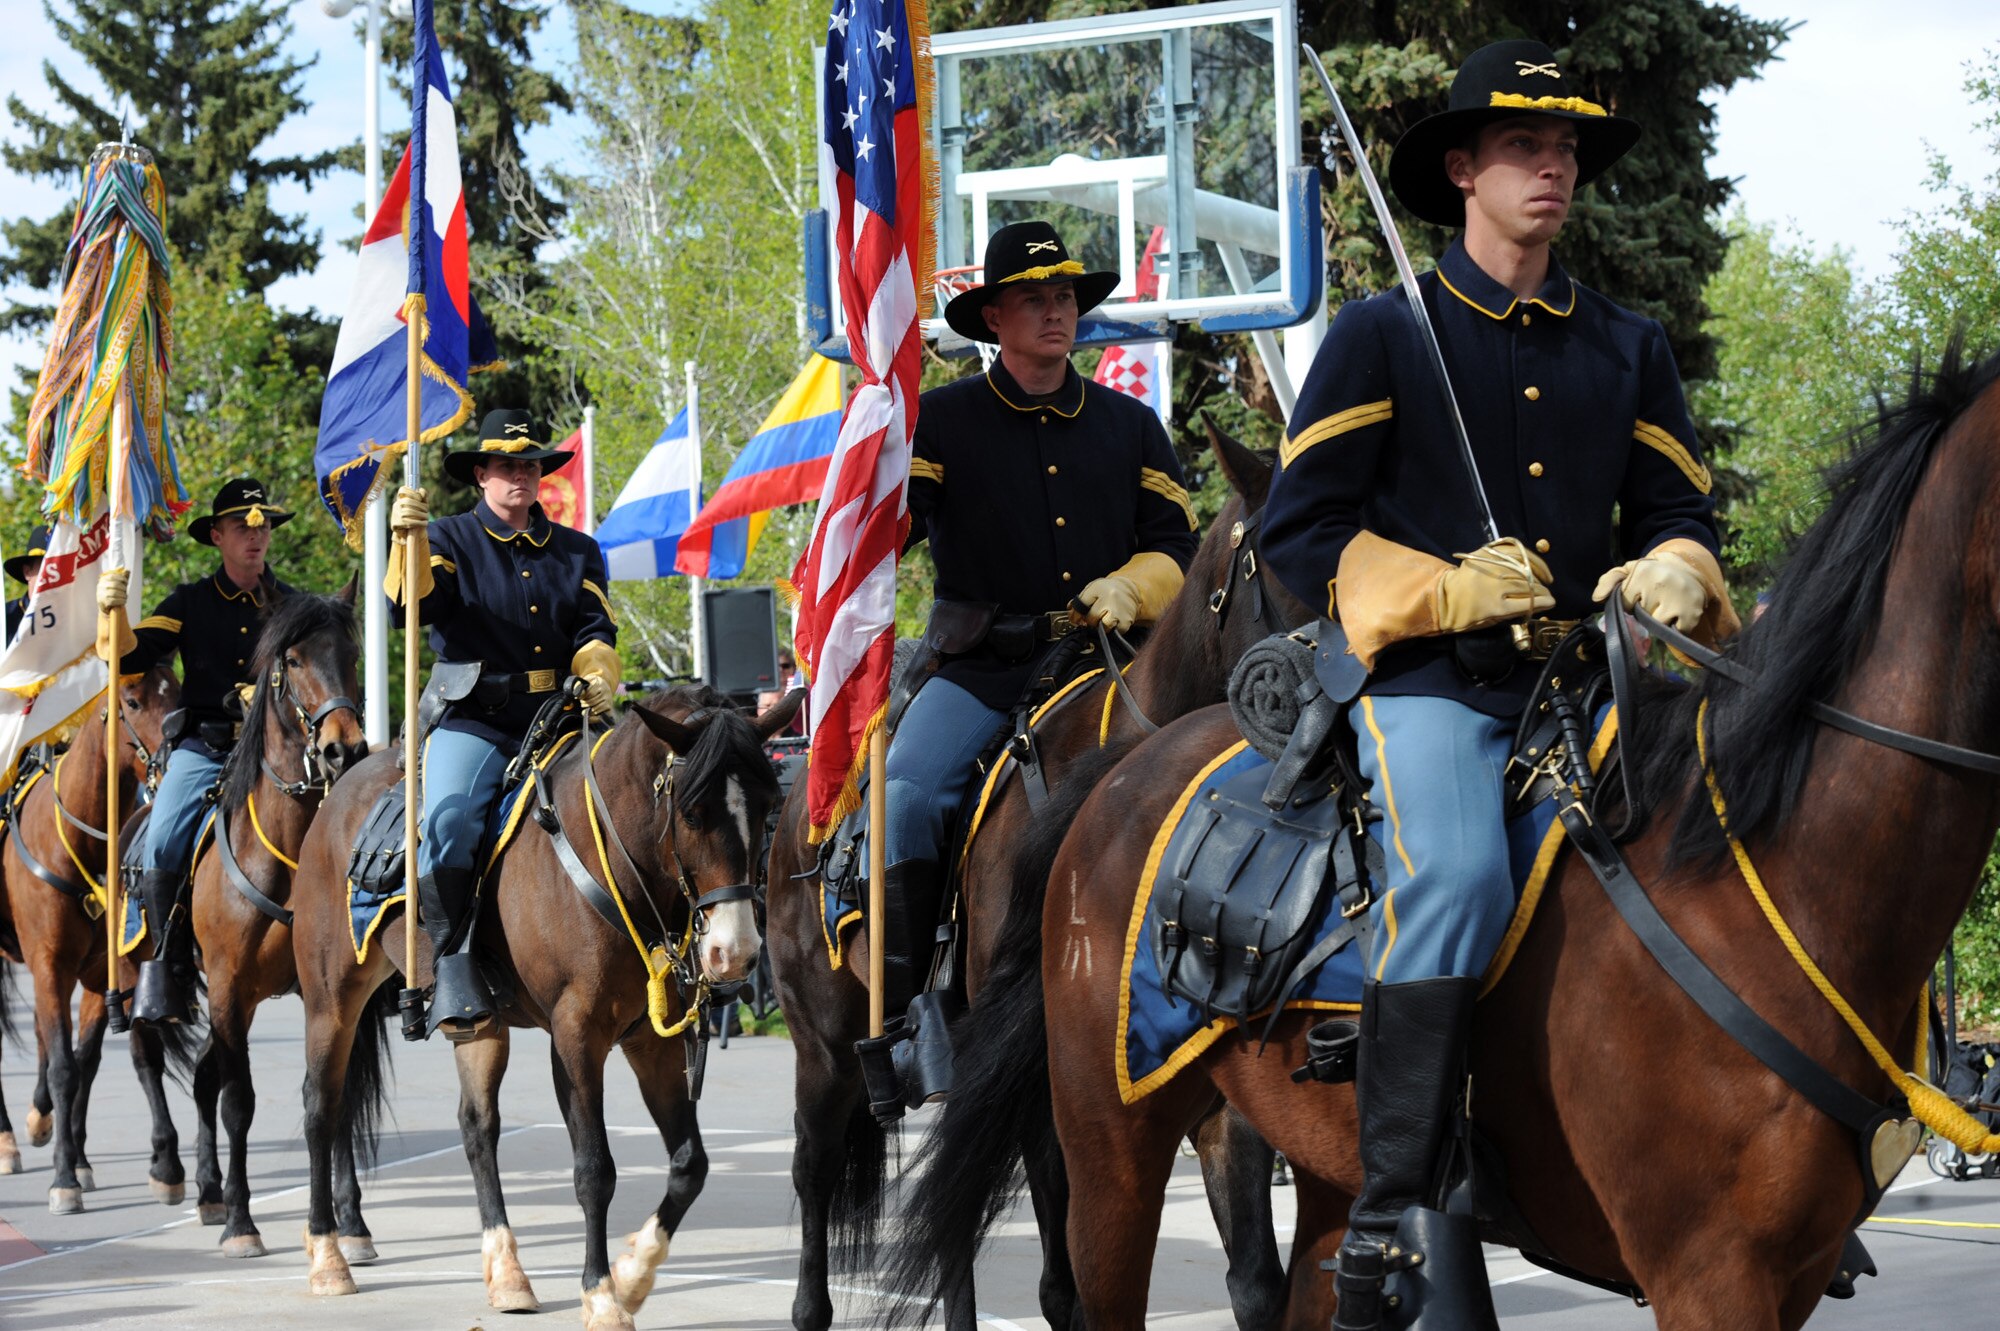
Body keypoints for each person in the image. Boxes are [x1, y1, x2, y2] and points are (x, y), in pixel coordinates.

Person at [1261, 40, 1740, 1328]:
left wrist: (1677, 567)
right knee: (1462, 875)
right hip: (1433, 687)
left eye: (1568, 148)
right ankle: (1389, 1214)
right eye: (1526, 146)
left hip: (1595, 685)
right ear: (1461, 170)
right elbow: (1297, 532)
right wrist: (1436, 588)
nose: (1554, 167)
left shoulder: (1624, 347)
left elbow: (1677, 508)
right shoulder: (1381, 334)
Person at [854, 219, 1201, 1113]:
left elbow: (1178, 546)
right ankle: (900, 1022)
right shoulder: (942, 416)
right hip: (981, 668)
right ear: (995, 318)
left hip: (1099, 664)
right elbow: (891, 527)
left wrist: (1133, 582)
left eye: (1066, 299)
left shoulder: (1129, 423)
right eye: (1036, 300)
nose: (1057, 312)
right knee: (907, 798)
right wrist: (875, 458)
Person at [385, 408, 620, 1040]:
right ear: (481, 474)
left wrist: (598, 663)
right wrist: (405, 548)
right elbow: (416, 607)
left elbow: (596, 626)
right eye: (506, 465)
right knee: (451, 819)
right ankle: (453, 960)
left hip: (561, 719)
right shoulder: (450, 537)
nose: (520, 474)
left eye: (529, 464)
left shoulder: (578, 550)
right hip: (477, 719)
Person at [107, 479, 299, 1026]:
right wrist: (114, 613)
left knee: (345, 825)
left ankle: (362, 948)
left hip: (277, 755)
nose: (254, 537)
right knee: (162, 836)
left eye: (261, 527)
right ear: (216, 536)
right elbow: (129, 659)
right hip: (208, 748)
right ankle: (166, 965)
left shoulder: (291, 605)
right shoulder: (190, 603)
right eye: (242, 527)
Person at [4, 524, 50, 642]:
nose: (52, 575)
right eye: (45, 567)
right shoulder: (5, 618)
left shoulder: (73, 618)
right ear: (27, 571)